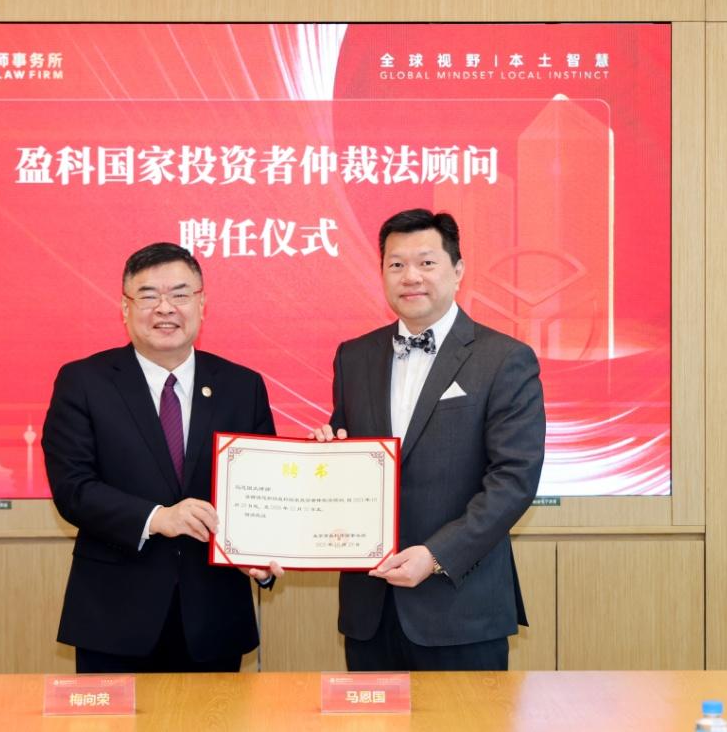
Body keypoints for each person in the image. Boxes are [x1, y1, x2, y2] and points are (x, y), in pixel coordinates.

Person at [311, 209, 545, 671]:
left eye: (426, 262)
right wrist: (328, 461)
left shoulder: (504, 358)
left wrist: (437, 556)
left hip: (460, 606)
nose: (411, 276)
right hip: (371, 608)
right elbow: (353, 459)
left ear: (457, 271)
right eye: (396, 264)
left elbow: (513, 480)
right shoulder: (353, 356)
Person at [42, 242, 281, 673]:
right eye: (149, 296)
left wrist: (262, 557)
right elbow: (73, 489)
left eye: (180, 295)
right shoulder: (84, 382)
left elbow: (264, 490)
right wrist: (158, 518)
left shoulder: (241, 386)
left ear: (202, 304)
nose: (165, 308)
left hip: (214, 617)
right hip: (114, 617)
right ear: (125, 307)